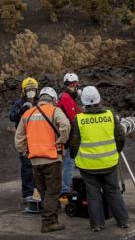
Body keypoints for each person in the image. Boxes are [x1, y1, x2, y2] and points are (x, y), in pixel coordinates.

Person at [69, 86, 129, 232]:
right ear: (98, 99)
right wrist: (116, 152)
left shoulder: (79, 119)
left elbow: (74, 143)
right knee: (113, 191)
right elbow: (120, 136)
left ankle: (97, 224)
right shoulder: (109, 115)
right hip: (109, 162)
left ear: (83, 102)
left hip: (88, 166)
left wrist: (73, 156)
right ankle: (123, 221)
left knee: (93, 194)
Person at [15, 87, 70, 233]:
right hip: (51, 159)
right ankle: (48, 222)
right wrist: (61, 140)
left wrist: (23, 151)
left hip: (34, 160)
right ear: (53, 99)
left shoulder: (28, 113)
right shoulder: (55, 111)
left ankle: (52, 216)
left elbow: (19, 136)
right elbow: (65, 125)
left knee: (43, 190)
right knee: (53, 191)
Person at [9, 77, 38, 201]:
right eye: (29, 89)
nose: (31, 92)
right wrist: (22, 110)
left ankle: (38, 191)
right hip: (25, 139)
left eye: (33, 89)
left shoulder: (39, 102)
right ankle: (27, 193)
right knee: (26, 166)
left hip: (38, 138)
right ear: (24, 90)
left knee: (38, 165)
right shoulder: (19, 103)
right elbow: (12, 116)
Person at [57, 72, 82, 201]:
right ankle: (65, 189)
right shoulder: (66, 97)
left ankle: (65, 187)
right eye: (74, 85)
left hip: (66, 134)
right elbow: (74, 118)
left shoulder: (67, 97)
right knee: (69, 163)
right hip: (67, 136)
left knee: (69, 162)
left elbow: (78, 112)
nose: (76, 88)